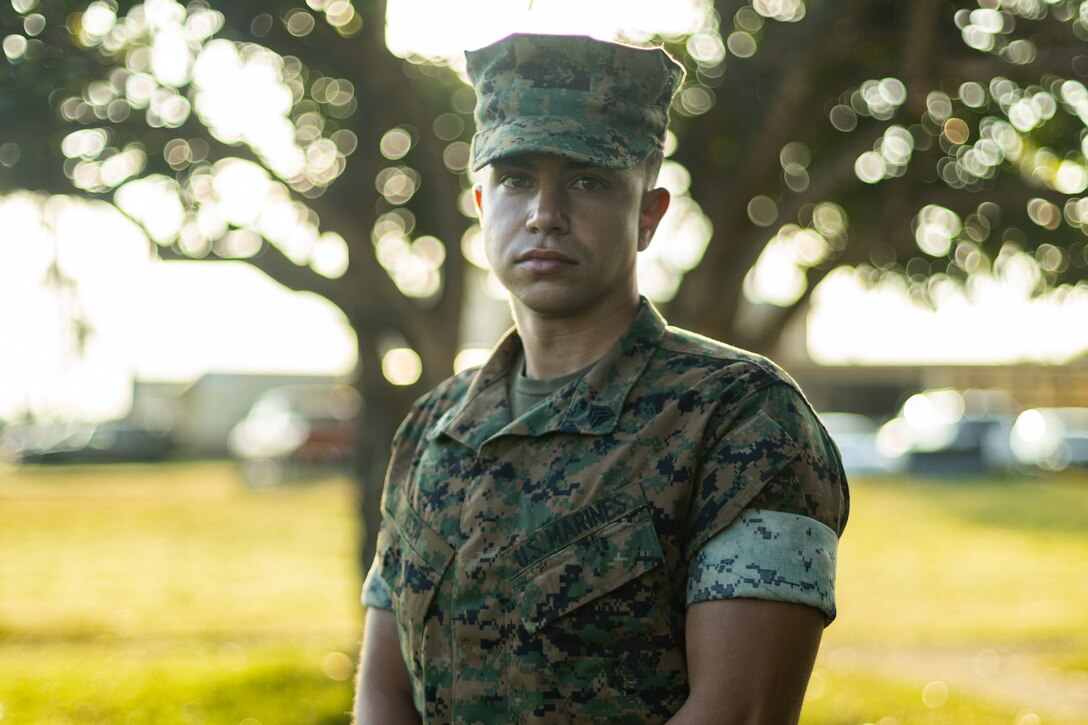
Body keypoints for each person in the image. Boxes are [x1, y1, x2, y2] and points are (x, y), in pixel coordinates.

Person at [354, 33, 849, 725]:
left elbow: (739, 712)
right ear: (480, 202)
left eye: (587, 180)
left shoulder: (739, 419)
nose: (544, 215)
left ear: (648, 214)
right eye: (516, 179)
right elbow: (384, 692)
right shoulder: (433, 429)